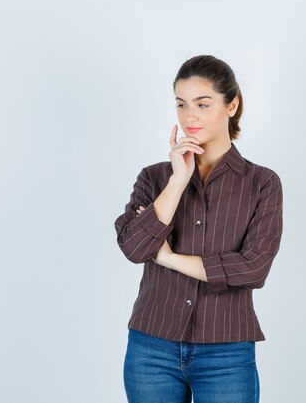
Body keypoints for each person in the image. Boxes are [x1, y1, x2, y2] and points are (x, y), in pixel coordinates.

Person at [114, 54, 284, 403]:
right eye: (181, 104)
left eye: (203, 104)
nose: (190, 115)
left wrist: (170, 258)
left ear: (231, 105)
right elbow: (134, 248)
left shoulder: (262, 183)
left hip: (226, 354)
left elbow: (253, 268)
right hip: (151, 348)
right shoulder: (155, 177)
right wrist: (177, 182)